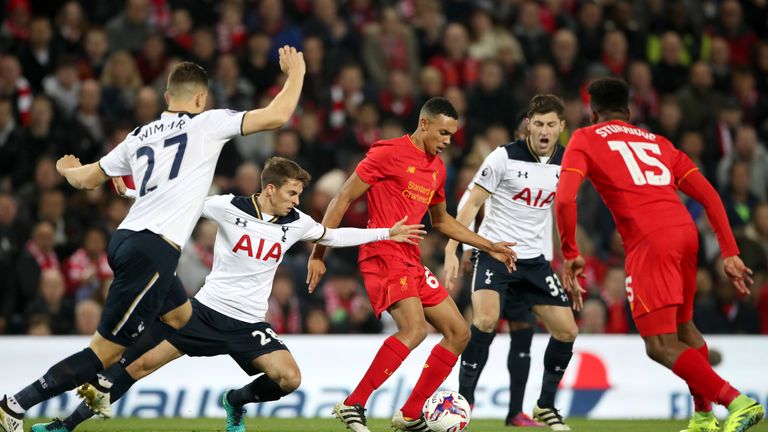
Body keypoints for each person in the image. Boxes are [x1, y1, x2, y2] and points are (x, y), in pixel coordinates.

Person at [0, 46, 306, 432]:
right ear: (201, 98)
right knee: (103, 352)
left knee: (182, 317)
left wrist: (67, 170)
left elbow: (86, 179)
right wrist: (297, 72)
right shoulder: (207, 123)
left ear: (166, 98)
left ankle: (107, 385)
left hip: (128, 240)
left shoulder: (139, 135)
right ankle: (16, 404)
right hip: (154, 250)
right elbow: (278, 114)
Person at [30, 157, 426, 432]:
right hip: (203, 312)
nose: (297, 200)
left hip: (250, 323)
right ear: (270, 189)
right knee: (136, 367)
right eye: (291, 192)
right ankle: (67, 424)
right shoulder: (227, 207)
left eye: (299, 194)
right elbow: (177, 202)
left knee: (289, 379)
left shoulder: (297, 222)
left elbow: (334, 236)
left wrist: (387, 233)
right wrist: (130, 191)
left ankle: (235, 400)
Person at [555, 77, 765, 432]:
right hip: (685, 233)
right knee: (684, 327)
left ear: (594, 114)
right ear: (630, 111)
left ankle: (736, 401)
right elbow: (711, 196)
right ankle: (703, 418)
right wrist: (729, 252)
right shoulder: (658, 142)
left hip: (649, 241)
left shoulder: (585, 138)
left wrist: (570, 252)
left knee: (659, 344)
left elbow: (564, 198)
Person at [306, 97, 517, 432]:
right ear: (424, 124)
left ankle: (409, 414)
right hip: (382, 251)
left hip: (411, 259)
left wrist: (488, 245)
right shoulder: (387, 152)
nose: (448, 141)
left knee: (459, 332)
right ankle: (353, 404)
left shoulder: (437, 168)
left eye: (452, 135)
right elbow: (343, 197)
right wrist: (319, 252)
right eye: (444, 133)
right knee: (415, 329)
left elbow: (442, 221)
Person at [444, 95, 577, 430]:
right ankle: (463, 405)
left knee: (566, 331)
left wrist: (570, 257)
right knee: (485, 321)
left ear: (561, 127)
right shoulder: (503, 157)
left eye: (551, 124)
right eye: (538, 123)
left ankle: (540, 406)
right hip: (496, 254)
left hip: (535, 263)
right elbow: (472, 203)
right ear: (527, 125)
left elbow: (565, 212)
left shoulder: (569, 162)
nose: (544, 130)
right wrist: (454, 248)